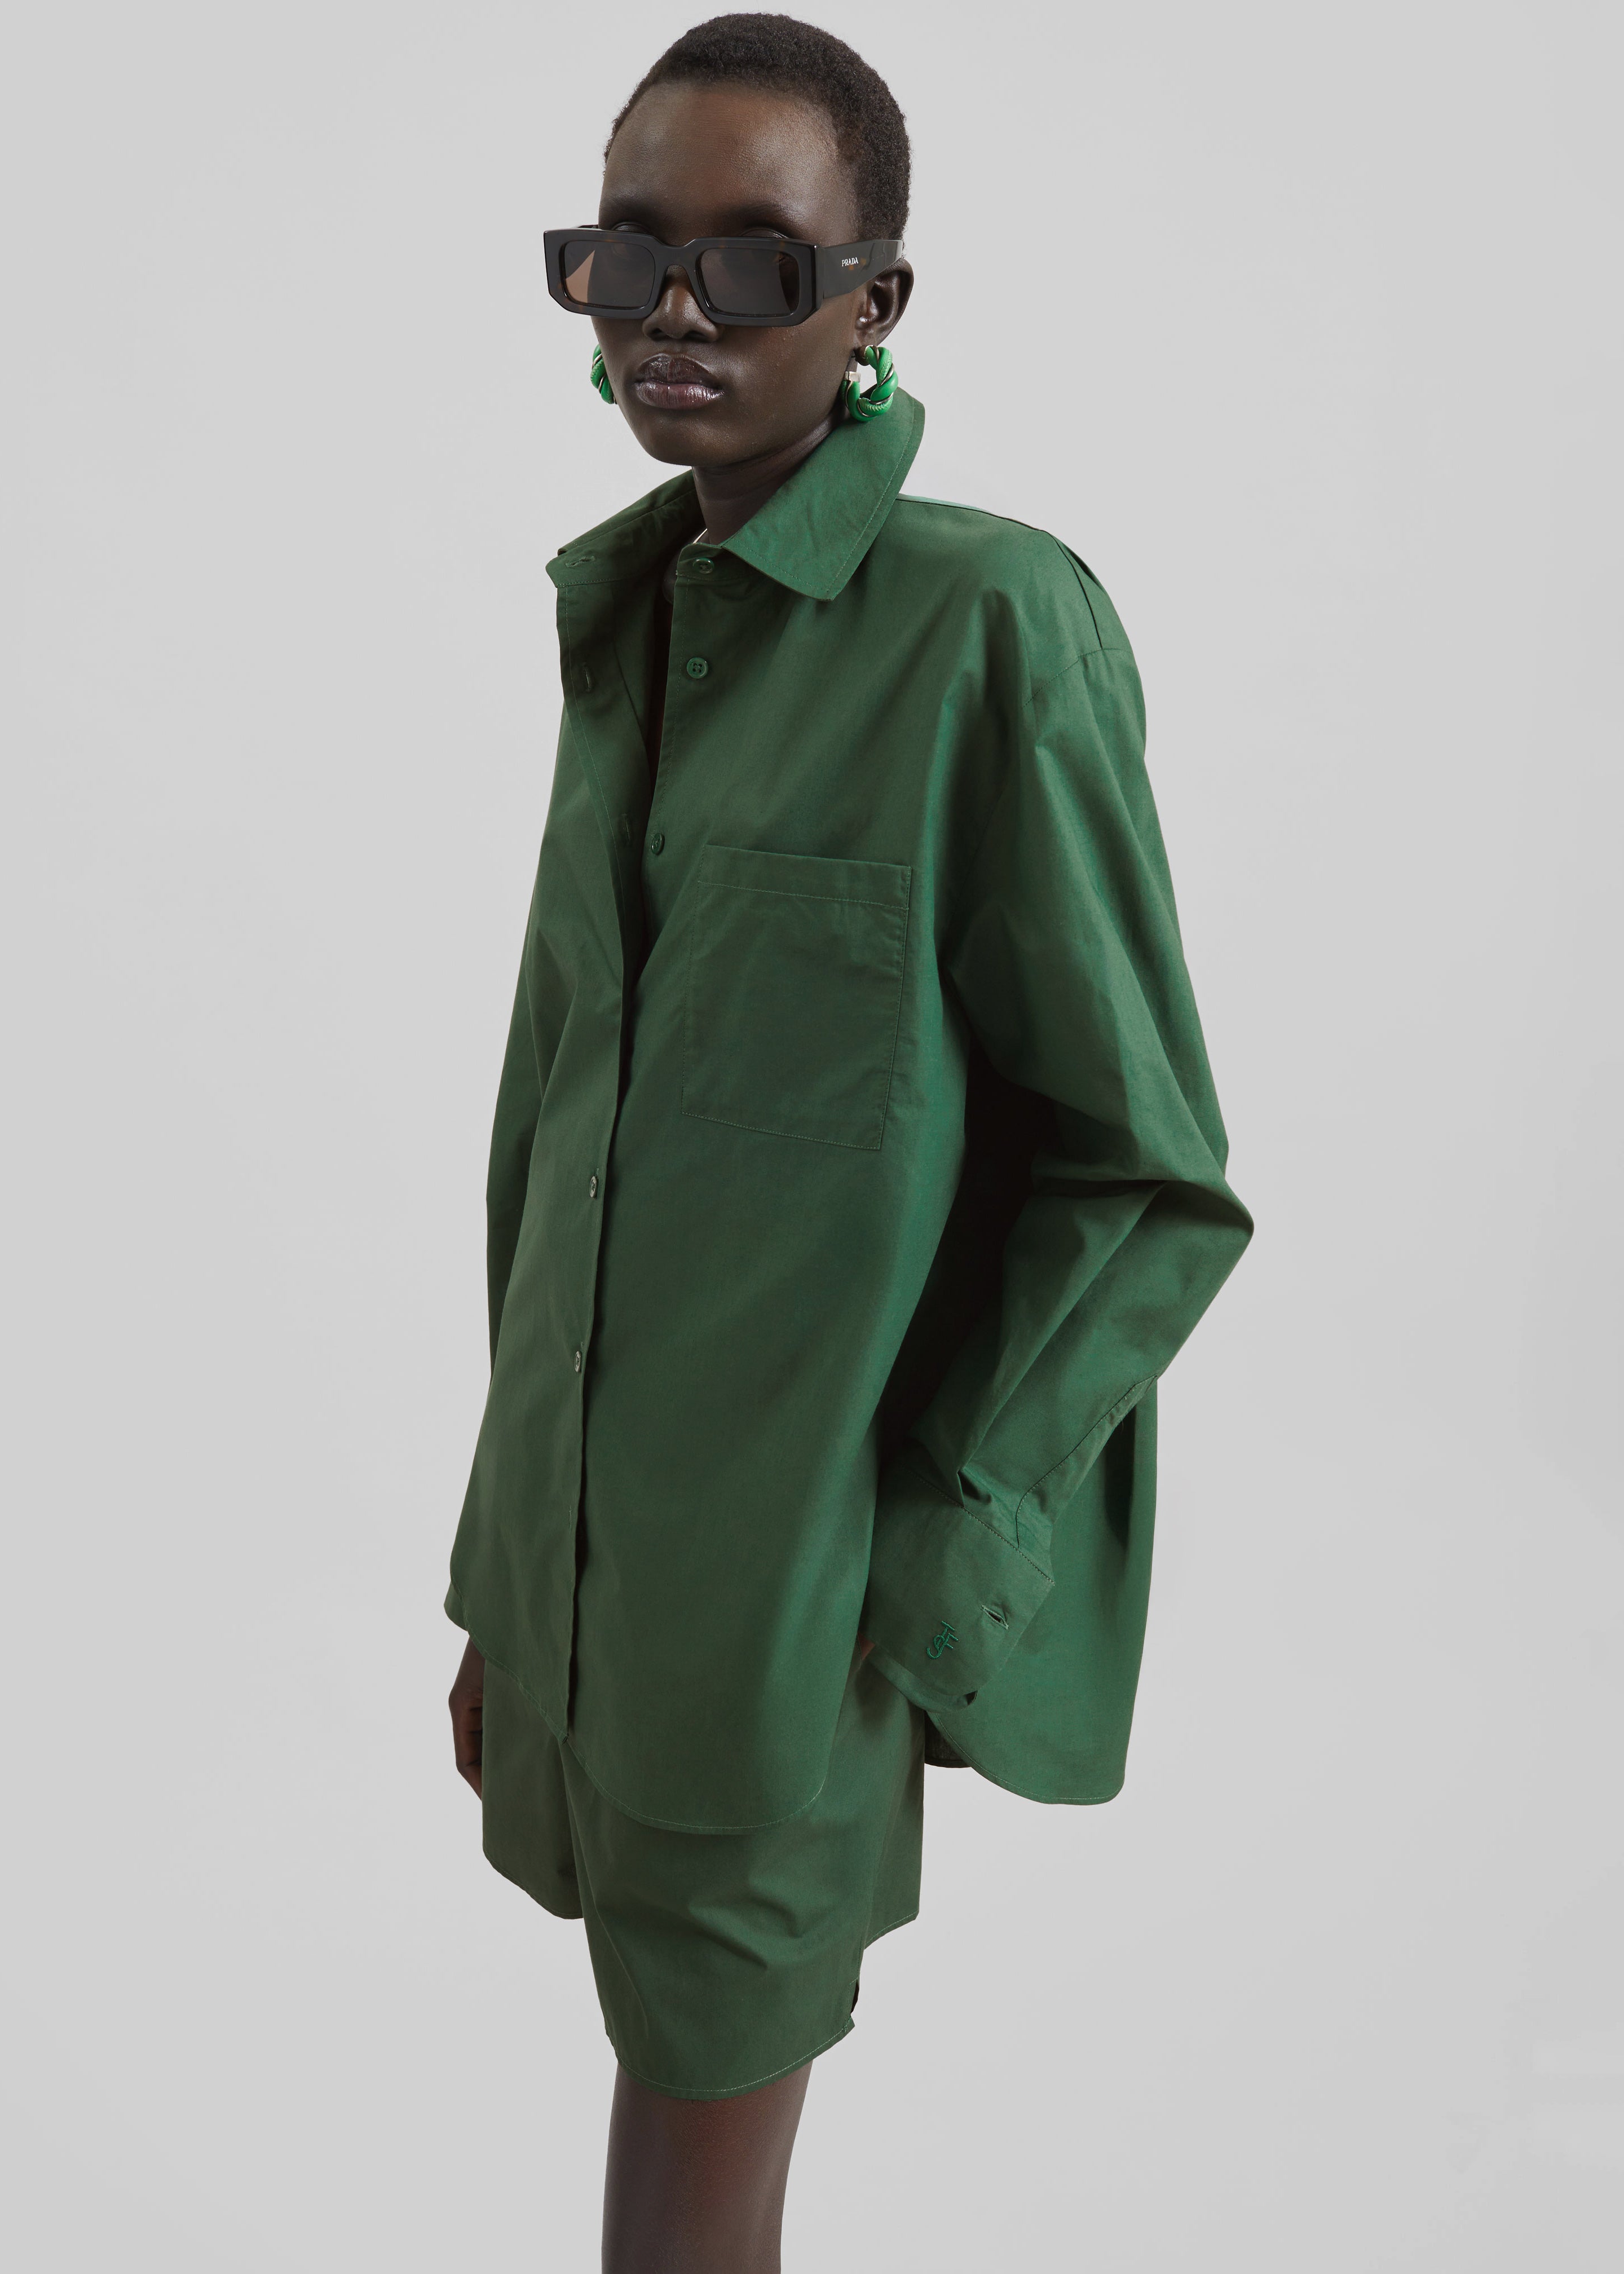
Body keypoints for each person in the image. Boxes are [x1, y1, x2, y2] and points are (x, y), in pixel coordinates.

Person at [445, 15, 1251, 2269]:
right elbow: (567, 1141)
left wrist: (922, 1545)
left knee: (688, 2194)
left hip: (789, 1611)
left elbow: (1144, 1176)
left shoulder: (992, 622)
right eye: (629, 252)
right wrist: (514, 1573)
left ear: (873, 303)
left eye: (755, 263)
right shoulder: (632, 621)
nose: (675, 310)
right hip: (591, 1581)